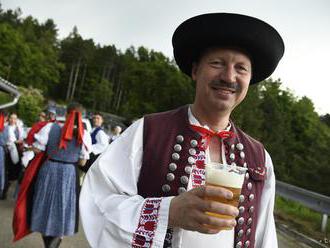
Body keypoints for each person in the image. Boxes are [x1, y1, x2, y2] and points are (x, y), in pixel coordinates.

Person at [80, 13, 284, 248]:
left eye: (241, 68)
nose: (229, 76)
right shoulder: (148, 131)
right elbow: (97, 201)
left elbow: (265, 238)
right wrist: (168, 212)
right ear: (196, 71)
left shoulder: (259, 158)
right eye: (217, 63)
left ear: (249, 80)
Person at [13, 102, 92, 247]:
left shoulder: (51, 127)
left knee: (45, 205)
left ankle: (48, 242)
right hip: (68, 173)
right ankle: (55, 241)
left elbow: (37, 150)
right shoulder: (84, 134)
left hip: (49, 170)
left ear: (67, 113)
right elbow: (82, 162)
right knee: (62, 208)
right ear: (81, 116)